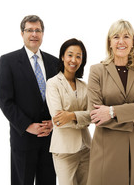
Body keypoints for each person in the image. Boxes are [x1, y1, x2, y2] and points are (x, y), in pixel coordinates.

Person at [86, 19, 134, 185]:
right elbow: (95, 115)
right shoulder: (97, 71)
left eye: (126, 36)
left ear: (133, 42)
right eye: (116, 37)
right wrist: (133, 116)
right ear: (109, 42)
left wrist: (112, 112)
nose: (121, 41)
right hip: (107, 149)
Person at [0, 15, 58, 185]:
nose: (34, 34)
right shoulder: (8, 61)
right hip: (23, 137)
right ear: (22, 34)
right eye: (29, 30)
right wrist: (27, 126)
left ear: (43, 34)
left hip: (49, 137)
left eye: (38, 30)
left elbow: (61, 97)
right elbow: (5, 100)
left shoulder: (54, 62)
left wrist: (54, 122)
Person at [46, 38, 91, 185]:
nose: (74, 60)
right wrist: (81, 118)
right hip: (64, 150)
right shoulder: (53, 83)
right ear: (62, 57)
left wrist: (71, 115)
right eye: (70, 55)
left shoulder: (85, 86)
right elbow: (58, 120)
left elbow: (92, 116)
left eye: (78, 56)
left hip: (86, 149)